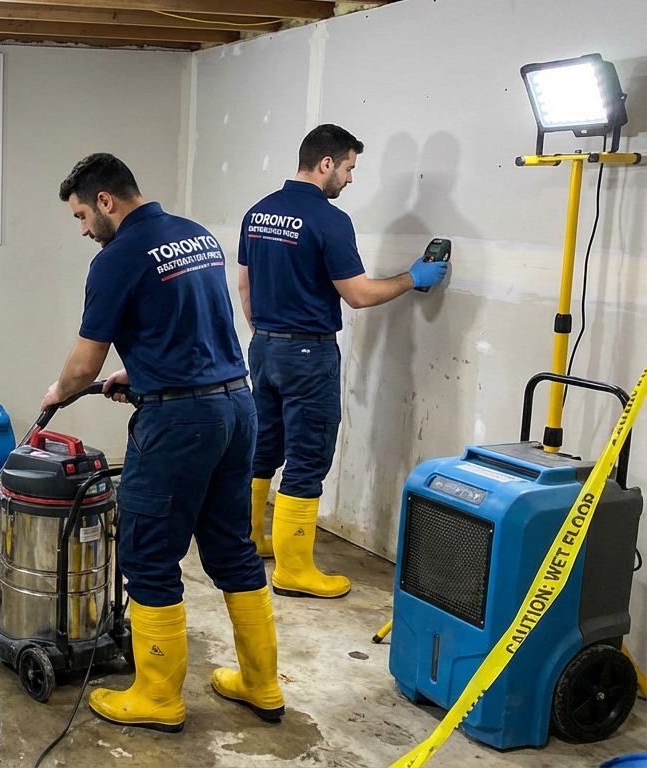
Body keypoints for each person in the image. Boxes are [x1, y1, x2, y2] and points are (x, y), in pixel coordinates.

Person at [41, 154, 284, 732]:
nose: (83, 230)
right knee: (233, 548)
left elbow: (84, 364)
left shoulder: (116, 258)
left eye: (81, 216)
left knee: (148, 554)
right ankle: (262, 684)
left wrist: (60, 390)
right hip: (236, 406)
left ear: (105, 201)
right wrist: (142, 372)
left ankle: (157, 696)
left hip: (179, 424)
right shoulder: (196, 236)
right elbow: (197, 327)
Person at [238, 124, 449, 598]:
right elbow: (357, 295)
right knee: (307, 457)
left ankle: (249, 540)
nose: (350, 179)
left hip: (264, 347)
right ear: (326, 163)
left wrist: (267, 336)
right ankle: (294, 571)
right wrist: (412, 278)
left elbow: (244, 285)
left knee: (264, 447)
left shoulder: (258, 213)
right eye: (349, 168)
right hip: (308, 354)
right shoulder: (329, 220)